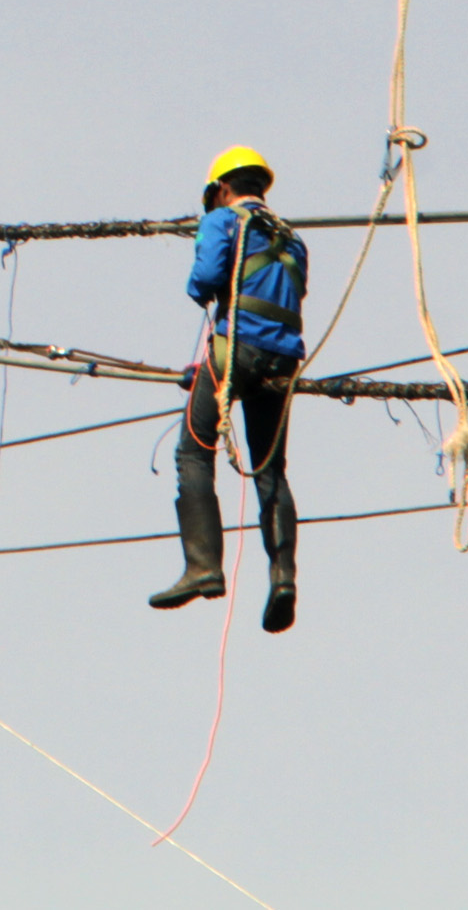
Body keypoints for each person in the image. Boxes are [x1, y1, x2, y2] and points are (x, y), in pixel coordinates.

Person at [150, 143, 308, 630]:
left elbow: (205, 280)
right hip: (284, 359)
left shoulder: (222, 220)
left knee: (194, 452)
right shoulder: (293, 238)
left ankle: (203, 567)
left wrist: (205, 285)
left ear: (221, 189)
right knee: (270, 470)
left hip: (236, 350)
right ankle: (283, 577)